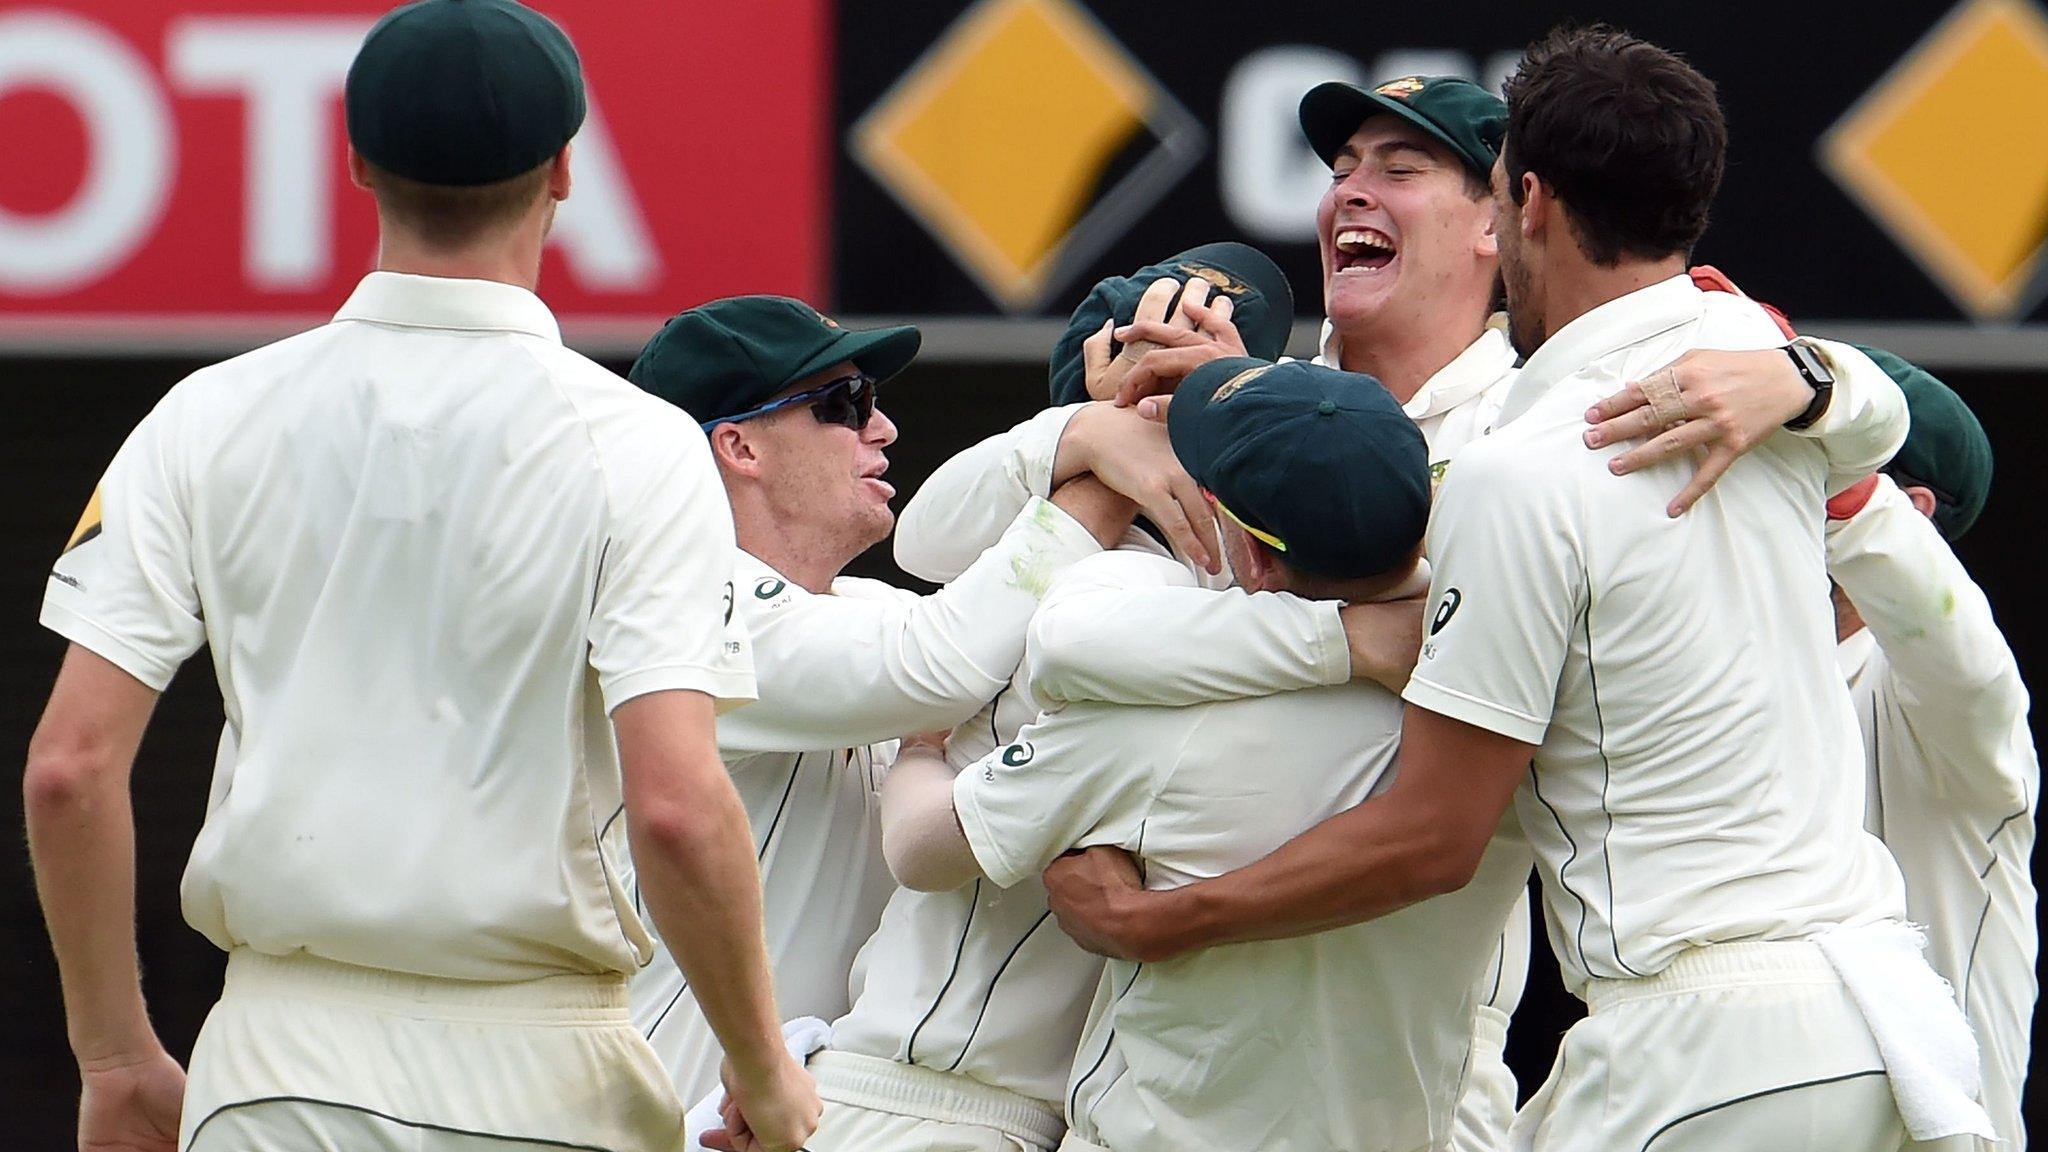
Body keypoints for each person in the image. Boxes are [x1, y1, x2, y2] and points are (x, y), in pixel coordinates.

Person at [1038, 26, 1995, 1152]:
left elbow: (1432, 839)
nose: (1356, 190)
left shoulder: (1519, 465)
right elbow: (1875, 407)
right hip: (1888, 1030)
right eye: (1345, 169)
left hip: (1693, 1044)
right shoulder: (1748, 356)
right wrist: (1807, 374)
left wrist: (1157, 918)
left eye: (1411, 169)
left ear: (1522, 204)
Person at [23, 3, 817, 1150]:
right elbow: (678, 807)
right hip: (540, 1086)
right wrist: (760, 1066)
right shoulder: (639, 447)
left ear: (354, 162)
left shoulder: (203, 418)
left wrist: (113, 1056)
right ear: (562, 171)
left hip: (271, 1076)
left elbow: (68, 767)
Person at [882, 357, 1532, 1152]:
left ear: (1254, 555)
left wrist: (918, 745)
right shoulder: (1493, 727)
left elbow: (922, 846)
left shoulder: (1145, 731)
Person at [791, 245, 1290, 1152]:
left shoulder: (1203, 598)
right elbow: (927, 539)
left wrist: (1093, 429)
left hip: (1010, 1106)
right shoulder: (1095, 602)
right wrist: (1093, 434)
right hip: (925, 1100)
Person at [622, 296, 1127, 1104]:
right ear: (738, 444)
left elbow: (1003, 637)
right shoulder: (675, 596)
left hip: (782, 1110)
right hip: (652, 1116)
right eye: (844, 406)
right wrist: (1104, 449)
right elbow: (939, 662)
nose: (883, 429)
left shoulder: (864, 611)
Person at [1824, 351, 2037, 1151]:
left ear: (1906, 512)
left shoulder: (1956, 700)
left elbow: (1950, 638)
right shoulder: (1734, 668)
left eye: (1801, 465)